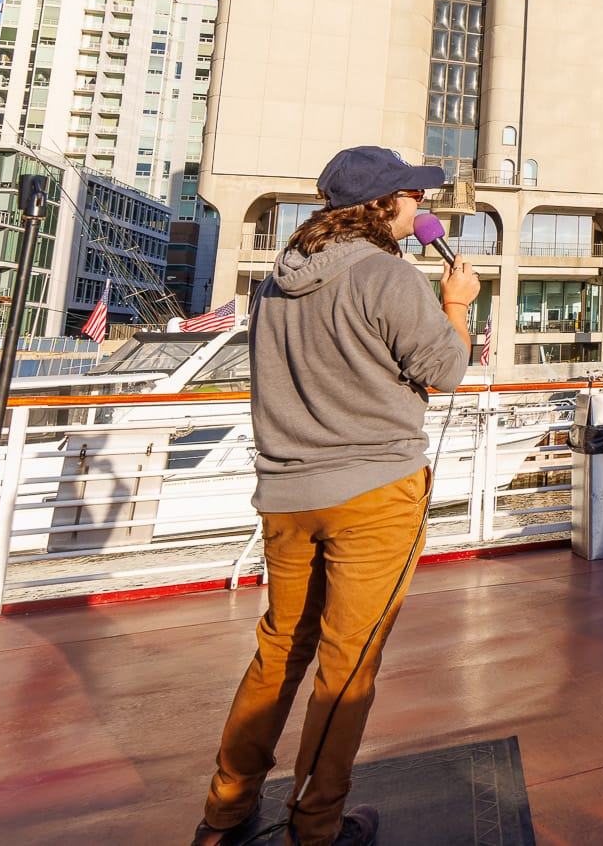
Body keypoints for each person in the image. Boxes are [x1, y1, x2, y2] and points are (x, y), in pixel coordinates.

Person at [193, 146, 478, 846]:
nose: (424, 208)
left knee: (280, 649)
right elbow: (445, 370)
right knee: (347, 666)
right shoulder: (388, 276)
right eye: (414, 196)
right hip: (375, 493)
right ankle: (315, 825)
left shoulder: (277, 282)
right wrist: (456, 305)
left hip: (288, 494)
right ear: (384, 205)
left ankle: (225, 814)